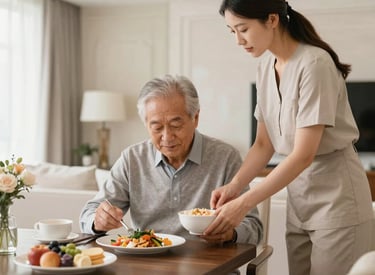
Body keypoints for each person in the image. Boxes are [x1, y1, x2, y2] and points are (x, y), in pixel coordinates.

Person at [205, 1, 374, 275]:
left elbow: (303, 154)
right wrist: (234, 186)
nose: (238, 40)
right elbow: (264, 143)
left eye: (243, 29)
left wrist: (245, 203)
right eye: (231, 31)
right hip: (300, 199)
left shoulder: (315, 63)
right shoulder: (265, 68)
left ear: (272, 19)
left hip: (337, 199)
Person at [79, 74, 262, 246]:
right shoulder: (132, 159)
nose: (167, 137)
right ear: (146, 124)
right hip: (148, 265)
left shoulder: (225, 158)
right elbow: (89, 213)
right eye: (157, 127)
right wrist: (98, 220)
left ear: (195, 118)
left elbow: (253, 227)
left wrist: (230, 234)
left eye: (176, 125)